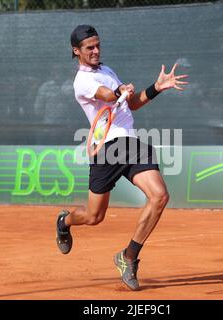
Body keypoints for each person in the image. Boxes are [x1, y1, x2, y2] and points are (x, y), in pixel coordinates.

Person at [55, 25, 188, 291]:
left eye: (97, 45)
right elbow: (108, 95)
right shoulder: (82, 81)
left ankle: (128, 257)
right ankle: (65, 221)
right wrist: (119, 92)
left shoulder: (107, 70)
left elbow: (132, 103)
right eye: (89, 47)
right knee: (94, 217)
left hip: (130, 143)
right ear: (76, 51)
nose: (95, 50)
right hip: (106, 150)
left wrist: (156, 87)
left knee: (160, 196)